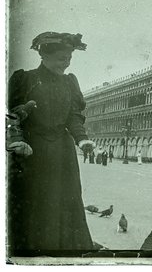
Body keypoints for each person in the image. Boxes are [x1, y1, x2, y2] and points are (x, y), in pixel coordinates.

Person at [6, 32, 95, 253]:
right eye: (61, 59)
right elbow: (10, 114)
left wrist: (82, 139)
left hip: (63, 152)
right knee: (37, 198)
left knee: (66, 199)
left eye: (69, 59)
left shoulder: (70, 82)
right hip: (32, 150)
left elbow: (74, 116)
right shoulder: (24, 79)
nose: (65, 64)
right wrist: (16, 140)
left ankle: (64, 250)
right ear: (44, 55)